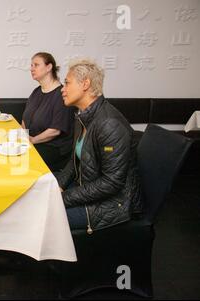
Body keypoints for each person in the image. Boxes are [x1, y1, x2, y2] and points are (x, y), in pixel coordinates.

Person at [55, 59, 142, 232]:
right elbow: (75, 161)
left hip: (112, 205)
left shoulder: (109, 123)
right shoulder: (83, 116)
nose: (62, 89)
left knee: (44, 216)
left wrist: (64, 197)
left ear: (85, 84)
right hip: (88, 189)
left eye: (67, 83)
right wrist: (59, 186)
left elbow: (112, 182)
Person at [22, 52, 74, 172]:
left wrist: (32, 140)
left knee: (19, 159)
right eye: (31, 65)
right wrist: (24, 138)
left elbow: (55, 130)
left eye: (36, 65)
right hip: (32, 143)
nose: (31, 68)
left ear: (49, 67)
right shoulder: (36, 92)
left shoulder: (61, 94)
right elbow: (25, 118)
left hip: (53, 148)